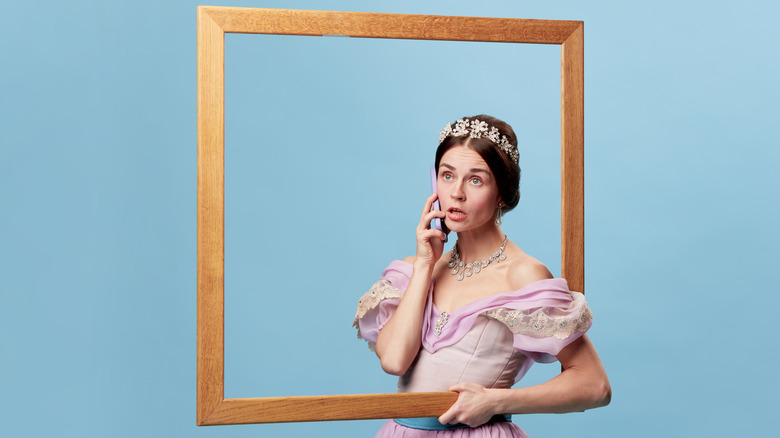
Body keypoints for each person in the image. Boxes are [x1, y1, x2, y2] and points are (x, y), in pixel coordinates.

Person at [353, 115, 611, 437]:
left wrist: (494, 401)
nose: (456, 193)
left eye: (475, 180)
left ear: (502, 192)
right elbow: (393, 362)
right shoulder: (419, 269)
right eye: (447, 176)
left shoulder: (523, 274)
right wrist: (423, 266)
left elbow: (595, 385)